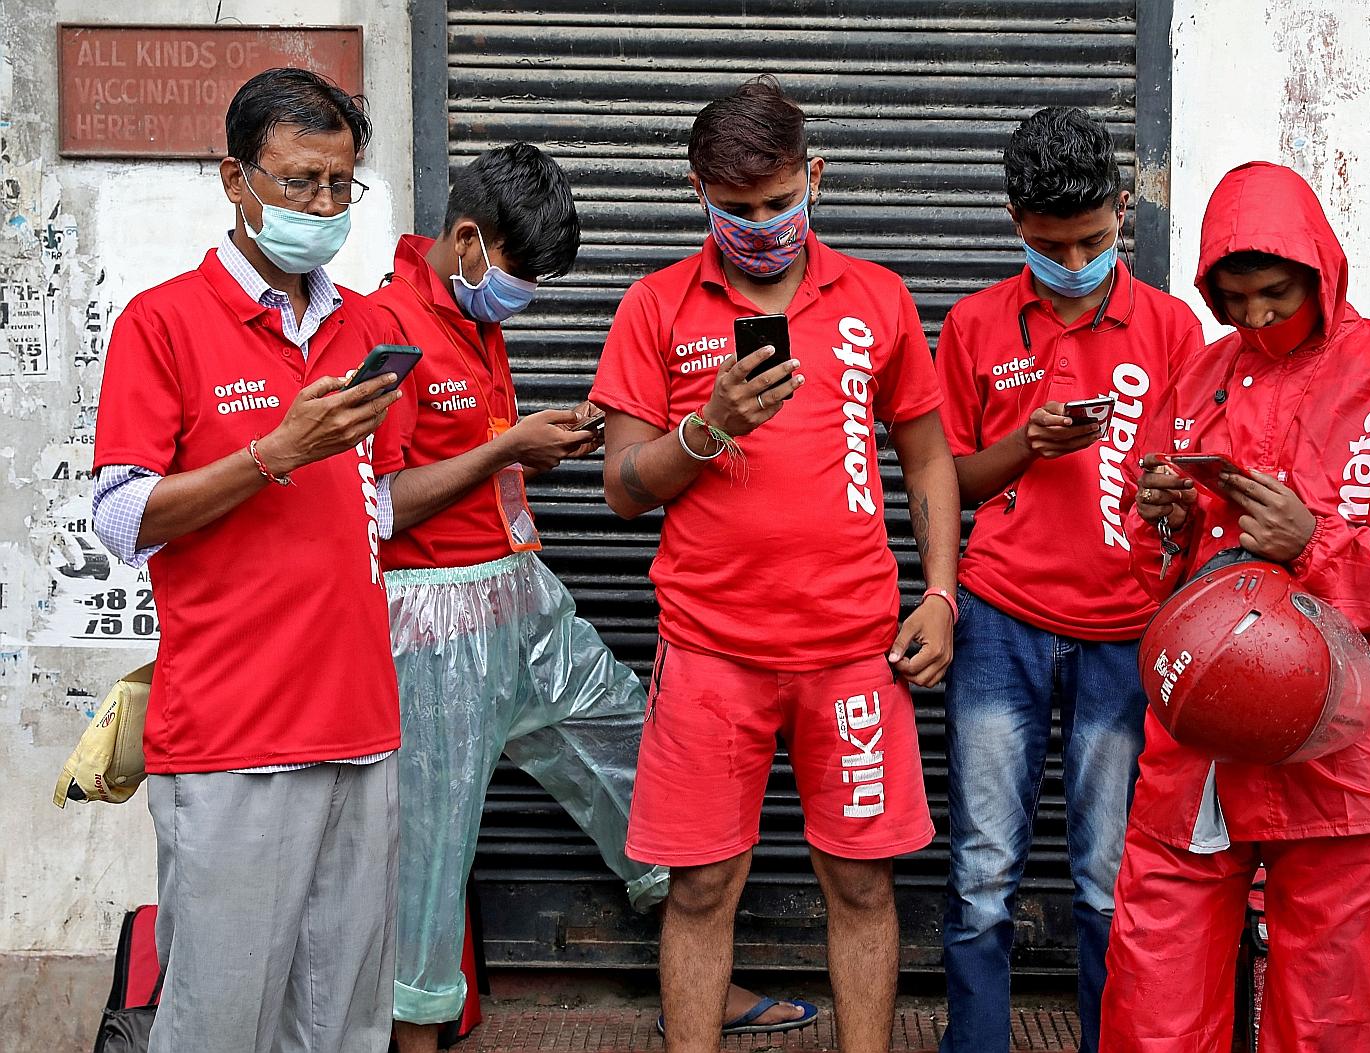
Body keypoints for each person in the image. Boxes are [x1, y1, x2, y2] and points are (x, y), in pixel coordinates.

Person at [369, 143, 814, 1051]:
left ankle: (701, 972)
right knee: (434, 836)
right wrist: (506, 448)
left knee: (640, 760)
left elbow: (467, 462)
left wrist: (534, 443)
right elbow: (376, 508)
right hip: (432, 622)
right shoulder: (388, 327)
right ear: (466, 241)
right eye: (522, 273)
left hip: (521, 593)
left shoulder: (471, 317)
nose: (524, 294)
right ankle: (415, 1032)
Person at [1100, 161, 1370, 1052]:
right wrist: (1165, 524)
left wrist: (1316, 545)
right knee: (1153, 990)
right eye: (1234, 297)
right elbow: (1155, 582)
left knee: (1326, 1011)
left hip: (1355, 747)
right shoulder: (1199, 379)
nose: (1254, 318)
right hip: (1205, 734)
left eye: (1275, 295)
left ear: (1321, 270)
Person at [590, 75, 961, 1053]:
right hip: (711, 655)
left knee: (863, 882)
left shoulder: (876, 297)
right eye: (736, 208)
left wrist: (942, 596)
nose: (760, 225)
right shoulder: (656, 306)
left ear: (815, 178)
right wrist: (707, 429)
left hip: (854, 654)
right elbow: (623, 486)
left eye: (778, 202)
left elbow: (926, 455)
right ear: (698, 194)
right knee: (704, 885)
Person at [90, 68, 405, 1052]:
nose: (323, 208)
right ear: (235, 178)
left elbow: (376, 510)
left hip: (361, 722)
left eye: (340, 186)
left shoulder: (370, 326)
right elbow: (123, 516)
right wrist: (272, 454)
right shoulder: (164, 322)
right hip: (233, 734)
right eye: (299, 182)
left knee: (346, 1024)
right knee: (222, 1024)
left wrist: (499, 454)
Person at [933, 107, 1203, 1053]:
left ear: (1124, 211)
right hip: (999, 618)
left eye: (1093, 238)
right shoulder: (971, 326)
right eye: (1052, 244)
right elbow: (948, 479)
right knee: (983, 866)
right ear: (1016, 223)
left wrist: (1171, 491)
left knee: (1107, 872)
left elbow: (1197, 480)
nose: (1075, 257)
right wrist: (1023, 446)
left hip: (1129, 627)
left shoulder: (1173, 329)